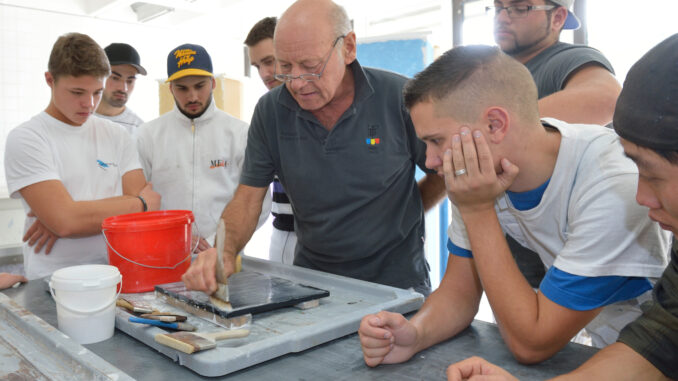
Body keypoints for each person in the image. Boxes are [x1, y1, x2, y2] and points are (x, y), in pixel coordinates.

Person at [358, 45, 671, 367]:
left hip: (652, 360)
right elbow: (459, 293)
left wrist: (478, 210)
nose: (430, 161)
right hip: (606, 355)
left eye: (436, 140)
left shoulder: (611, 184)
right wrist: (415, 333)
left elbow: (531, 344)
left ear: (495, 125)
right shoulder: (477, 178)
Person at [446, 34, 678, 381]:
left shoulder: (608, 183)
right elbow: (658, 344)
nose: (641, 196)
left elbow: (532, 341)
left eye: (653, 173)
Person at [181, 0, 446, 295]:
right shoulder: (271, 111)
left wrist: (408, 211)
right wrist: (223, 252)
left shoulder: (399, 98)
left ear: (348, 48)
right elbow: (247, 198)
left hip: (398, 281)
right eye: (285, 67)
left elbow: (444, 173)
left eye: (310, 66)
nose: (296, 83)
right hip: (314, 283)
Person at [3, 32, 159, 280]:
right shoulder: (27, 137)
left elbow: (144, 216)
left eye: (97, 92)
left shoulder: (117, 135)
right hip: (54, 280)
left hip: (116, 274)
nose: (89, 104)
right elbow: (66, 222)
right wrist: (138, 203)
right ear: (49, 79)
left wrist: (73, 215)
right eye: (77, 92)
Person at [490, 0, 623, 288]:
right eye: (497, 6)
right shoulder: (497, 74)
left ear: (558, 17)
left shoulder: (565, 59)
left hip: (568, 266)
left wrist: (495, 131)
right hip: (516, 260)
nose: (502, 16)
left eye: (520, 7)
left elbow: (605, 98)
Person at [135, 43, 269, 251]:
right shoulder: (147, 135)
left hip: (225, 253)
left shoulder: (240, 133)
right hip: (165, 251)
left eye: (200, 86)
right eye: (182, 88)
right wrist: (174, 237)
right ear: (170, 88)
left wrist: (219, 242)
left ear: (213, 83)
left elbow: (259, 203)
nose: (193, 97)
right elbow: (136, 200)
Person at [244, 16, 297, 265]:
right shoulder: (267, 113)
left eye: (269, 61)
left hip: (332, 243)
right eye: (257, 66)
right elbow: (249, 196)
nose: (264, 74)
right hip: (282, 235)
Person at [94, 43, 146, 133]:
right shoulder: (78, 117)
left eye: (130, 81)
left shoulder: (139, 129)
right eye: (115, 78)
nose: (123, 88)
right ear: (99, 75)